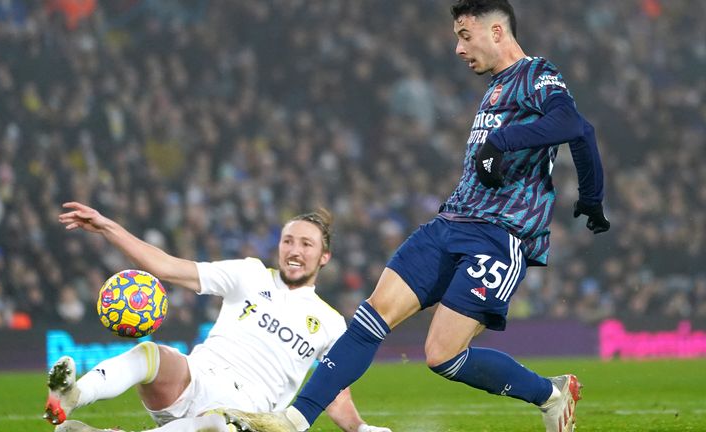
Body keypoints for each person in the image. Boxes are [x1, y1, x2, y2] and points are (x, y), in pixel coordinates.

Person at [219, 1, 610, 432]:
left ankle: (550, 394)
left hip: (500, 234)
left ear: (497, 31)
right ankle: (294, 420)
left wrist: (584, 192)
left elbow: (576, 126)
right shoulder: (496, 87)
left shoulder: (537, 74)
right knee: (371, 317)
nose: (458, 49)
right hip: (449, 223)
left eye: (465, 35)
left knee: (442, 355)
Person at [44, 201, 392, 432]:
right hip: (195, 378)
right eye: (288, 241)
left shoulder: (330, 322)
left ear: (324, 256)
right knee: (151, 355)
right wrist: (107, 227)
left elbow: (332, 389)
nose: (294, 250)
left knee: (214, 424)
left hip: (246, 413)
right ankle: (72, 396)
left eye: (306, 244)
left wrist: (360, 428)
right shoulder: (249, 274)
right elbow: (167, 266)